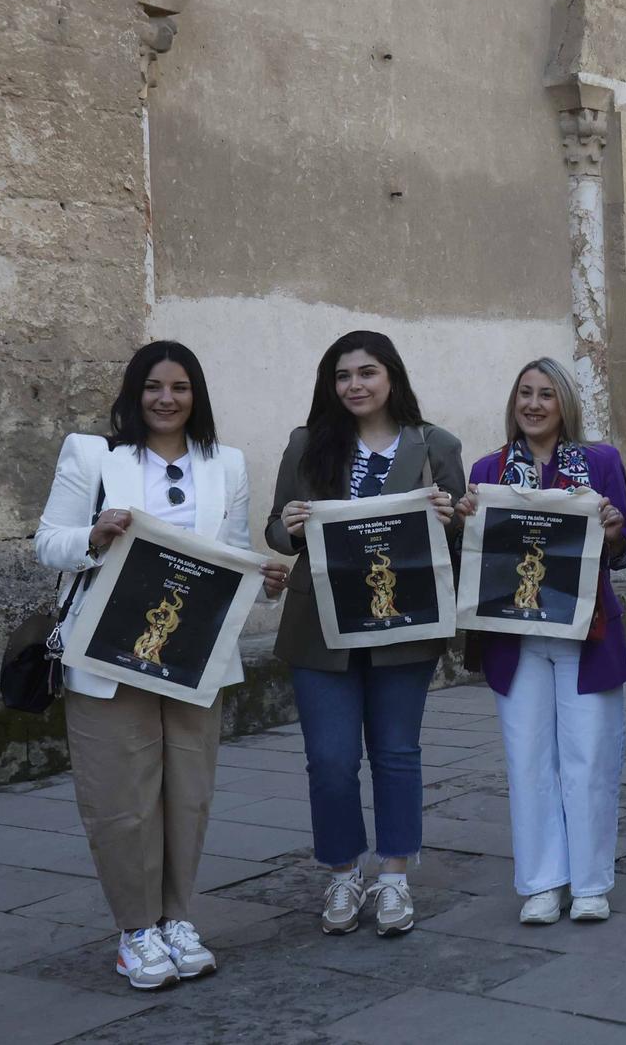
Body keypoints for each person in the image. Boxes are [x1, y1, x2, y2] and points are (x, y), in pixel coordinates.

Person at [35, 341, 287, 989]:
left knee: (188, 792)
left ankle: (177, 918)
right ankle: (136, 930)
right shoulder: (93, 455)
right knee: (121, 796)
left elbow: (229, 555)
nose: (166, 398)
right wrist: (94, 535)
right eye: (153, 386)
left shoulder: (224, 464)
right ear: (133, 392)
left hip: (193, 656)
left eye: (179, 386)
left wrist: (266, 579)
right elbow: (47, 544)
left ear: (196, 395)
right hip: (108, 652)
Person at [268, 331, 462, 938]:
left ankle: (396, 877)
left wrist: (450, 519)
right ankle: (343, 873)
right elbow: (277, 532)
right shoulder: (308, 443)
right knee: (329, 759)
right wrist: (291, 526)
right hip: (319, 623)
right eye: (343, 375)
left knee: (396, 753)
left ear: (391, 378)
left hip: (402, 620)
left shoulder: (435, 445)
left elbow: (458, 538)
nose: (355, 385)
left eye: (367, 373)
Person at [455, 358, 626, 925]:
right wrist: (464, 524)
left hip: (587, 635)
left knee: (589, 758)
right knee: (527, 758)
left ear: (565, 406)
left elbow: (622, 549)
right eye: (525, 394)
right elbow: (478, 561)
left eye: (546, 395)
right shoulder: (488, 469)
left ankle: (589, 883)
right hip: (516, 637)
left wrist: (612, 531)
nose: (533, 404)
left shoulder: (600, 462)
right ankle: (540, 882)